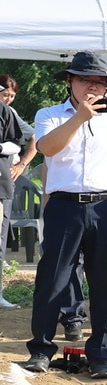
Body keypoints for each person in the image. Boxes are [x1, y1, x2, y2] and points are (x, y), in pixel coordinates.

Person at [21, 53, 107, 378]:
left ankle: (101, 355)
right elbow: (47, 148)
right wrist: (79, 118)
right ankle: (41, 350)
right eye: (86, 80)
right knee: (52, 281)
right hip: (64, 205)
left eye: (100, 82)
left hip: (105, 207)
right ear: (70, 82)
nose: (93, 87)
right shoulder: (51, 114)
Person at [0, 79, 27, 309]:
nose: (7, 98)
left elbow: (26, 140)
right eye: (4, 94)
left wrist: (21, 165)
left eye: (10, 95)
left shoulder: (8, 113)